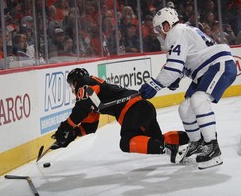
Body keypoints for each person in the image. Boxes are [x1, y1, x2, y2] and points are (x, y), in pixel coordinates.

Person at [139, 7, 237, 169]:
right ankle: (197, 142)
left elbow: (173, 68)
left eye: (158, 29)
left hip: (218, 65)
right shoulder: (180, 33)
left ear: (167, 25)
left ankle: (213, 148)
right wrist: (175, 78)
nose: (158, 33)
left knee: (199, 99)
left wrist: (154, 84)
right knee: (185, 109)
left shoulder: (176, 33)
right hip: (205, 71)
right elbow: (182, 65)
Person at [51, 68, 189, 164]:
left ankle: (168, 150)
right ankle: (192, 139)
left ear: (75, 82)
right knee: (156, 140)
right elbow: (89, 126)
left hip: (132, 110)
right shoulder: (93, 96)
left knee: (126, 142)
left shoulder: (84, 82)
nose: (72, 89)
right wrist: (73, 133)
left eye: (71, 86)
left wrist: (65, 127)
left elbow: (81, 109)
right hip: (143, 108)